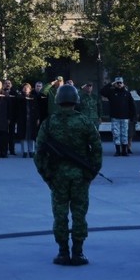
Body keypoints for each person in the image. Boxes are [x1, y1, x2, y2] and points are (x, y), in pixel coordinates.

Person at [35, 84, 102, 265]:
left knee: (60, 214)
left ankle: (63, 251)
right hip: (80, 176)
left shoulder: (49, 123)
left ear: (57, 101)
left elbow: (38, 153)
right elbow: (97, 148)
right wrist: (91, 173)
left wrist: (47, 175)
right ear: (75, 100)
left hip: (57, 177)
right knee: (79, 213)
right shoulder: (85, 122)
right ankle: (78, 252)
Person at [101, 77, 137, 156]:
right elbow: (102, 92)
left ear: (123, 84)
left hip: (125, 117)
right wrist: (111, 83)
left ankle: (124, 151)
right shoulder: (111, 92)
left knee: (124, 134)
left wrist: (133, 117)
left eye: (121, 83)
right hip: (115, 117)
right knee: (116, 134)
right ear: (115, 84)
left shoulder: (127, 93)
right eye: (117, 83)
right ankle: (117, 151)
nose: (119, 84)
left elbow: (132, 106)